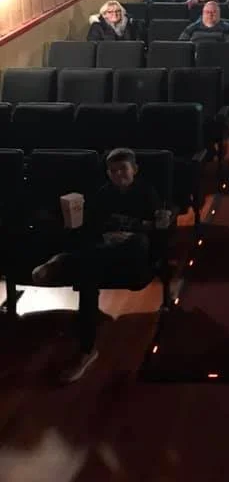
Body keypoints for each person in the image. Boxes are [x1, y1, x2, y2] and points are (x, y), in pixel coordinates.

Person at [31, 147, 164, 382]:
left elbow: (156, 227)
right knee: (88, 272)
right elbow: (94, 225)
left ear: (135, 170)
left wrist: (131, 232)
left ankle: (62, 261)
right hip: (105, 253)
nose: (118, 175)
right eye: (112, 171)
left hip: (134, 256)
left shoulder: (147, 192)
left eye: (123, 169)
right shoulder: (103, 194)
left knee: (132, 244)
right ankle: (86, 351)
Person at [179, 2, 229, 82]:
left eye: (214, 12)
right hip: (195, 64)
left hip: (218, 63)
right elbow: (181, 46)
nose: (210, 15)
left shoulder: (228, 28)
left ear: (219, 15)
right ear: (203, 14)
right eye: (208, 12)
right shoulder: (192, 27)